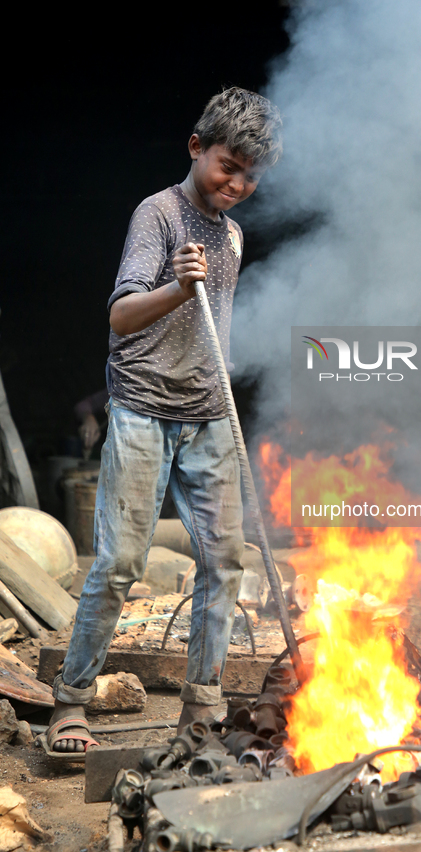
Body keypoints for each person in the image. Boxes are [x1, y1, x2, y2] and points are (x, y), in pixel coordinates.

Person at [46, 87, 282, 754]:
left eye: (250, 176)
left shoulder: (233, 234)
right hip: (145, 408)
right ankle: (72, 701)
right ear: (195, 147)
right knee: (120, 562)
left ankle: (200, 707)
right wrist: (178, 286)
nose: (235, 184)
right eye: (227, 166)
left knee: (225, 559)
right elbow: (119, 319)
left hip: (208, 416)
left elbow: (215, 329)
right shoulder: (159, 216)